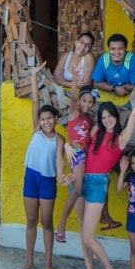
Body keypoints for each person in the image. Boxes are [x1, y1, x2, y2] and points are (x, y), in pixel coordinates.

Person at [74, 75, 135, 269]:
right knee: (82, 233)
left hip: (97, 184)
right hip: (80, 180)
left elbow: (133, 114)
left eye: (110, 116)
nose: (107, 120)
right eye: (103, 117)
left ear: (115, 117)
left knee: (88, 235)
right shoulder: (96, 132)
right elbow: (81, 152)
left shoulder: (120, 140)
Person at [17, 62, 67, 269]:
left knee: (46, 222)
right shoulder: (36, 130)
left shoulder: (59, 139)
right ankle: (28, 260)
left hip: (47, 182)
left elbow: (59, 160)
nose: (46, 122)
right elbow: (36, 101)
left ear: (55, 120)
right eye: (43, 119)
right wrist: (35, 76)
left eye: (50, 119)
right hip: (31, 178)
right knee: (30, 220)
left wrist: (61, 175)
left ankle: (48, 262)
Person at [54, 78, 95, 244]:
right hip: (76, 153)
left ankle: (63, 226)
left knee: (77, 189)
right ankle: (61, 225)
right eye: (84, 100)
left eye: (90, 102)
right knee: (77, 189)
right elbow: (72, 99)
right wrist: (75, 84)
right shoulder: (74, 114)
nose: (87, 104)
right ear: (79, 101)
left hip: (83, 155)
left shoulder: (89, 119)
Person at [91, 33, 135, 99]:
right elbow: (96, 83)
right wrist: (114, 89)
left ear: (125, 49)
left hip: (129, 96)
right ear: (109, 50)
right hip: (109, 94)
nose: (117, 52)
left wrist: (125, 89)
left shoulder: (132, 59)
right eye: (113, 49)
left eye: (120, 48)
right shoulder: (104, 59)